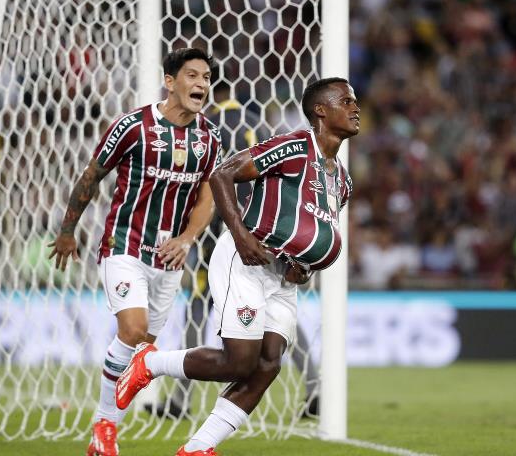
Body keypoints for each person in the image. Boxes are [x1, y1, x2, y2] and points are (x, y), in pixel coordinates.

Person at [115, 77, 359, 456]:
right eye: (346, 101)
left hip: (284, 276)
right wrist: (243, 236)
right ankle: (151, 363)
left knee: (268, 364)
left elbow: (314, 234)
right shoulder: (293, 146)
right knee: (238, 361)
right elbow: (221, 174)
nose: (356, 108)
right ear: (321, 111)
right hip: (244, 256)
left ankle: (197, 448)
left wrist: (305, 269)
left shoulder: (341, 181)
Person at [48, 47, 221, 456]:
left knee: (141, 349)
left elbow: (206, 199)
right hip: (124, 244)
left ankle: (101, 437)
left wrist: (187, 239)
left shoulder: (209, 138)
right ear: (170, 81)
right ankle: (105, 427)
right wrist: (67, 231)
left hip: (169, 257)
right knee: (131, 330)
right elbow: (92, 175)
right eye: (193, 76)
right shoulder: (133, 126)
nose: (201, 85)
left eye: (207, 78)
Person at [146, 81, 322, 419]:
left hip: (224, 234)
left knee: (198, 308)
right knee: (278, 312)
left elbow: (204, 180)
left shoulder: (207, 126)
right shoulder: (263, 126)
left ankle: (181, 400)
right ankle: (316, 389)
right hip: (269, 229)